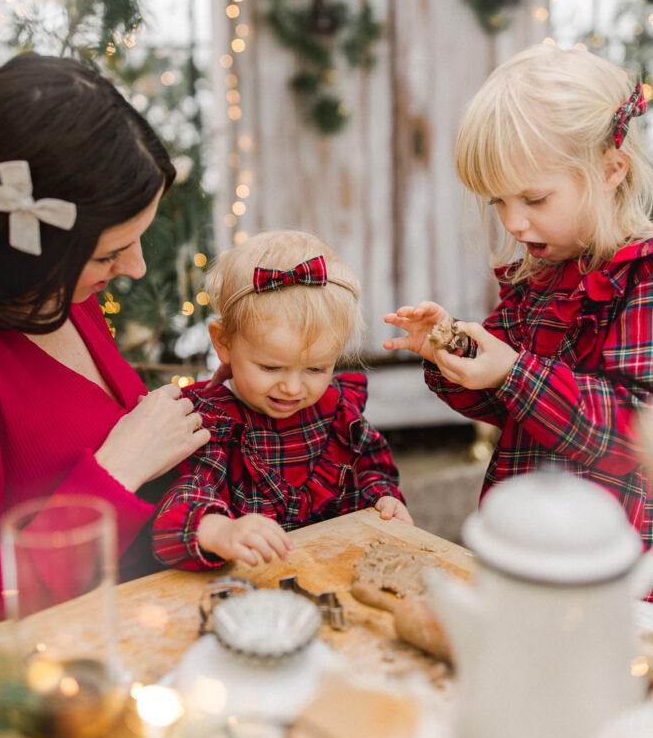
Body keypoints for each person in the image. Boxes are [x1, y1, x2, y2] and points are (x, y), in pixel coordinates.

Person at [0, 52, 210, 628]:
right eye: (109, 253)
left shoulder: (59, 296)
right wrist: (114, 473)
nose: (135, 267)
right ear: (26, 243)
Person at [384, 44, 652, 550]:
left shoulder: (643, 280)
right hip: (523, 539)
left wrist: (515, 373)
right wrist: (457, 350)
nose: (512, 222)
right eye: (498, 201)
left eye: (533, 199)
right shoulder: (539, 276)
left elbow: (634, 435)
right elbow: (500, 401)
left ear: (611, 169)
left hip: (608, 564)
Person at [152, 229, 410, 570]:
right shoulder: (213, 425)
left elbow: (370, 469)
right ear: (224, 342)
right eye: (271, 367)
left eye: (316, 369)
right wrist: (219, 530)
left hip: (336, 570)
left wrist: (383, 498)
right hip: (253, 592)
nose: (292, 388)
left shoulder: (336, 412)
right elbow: (178, 508)